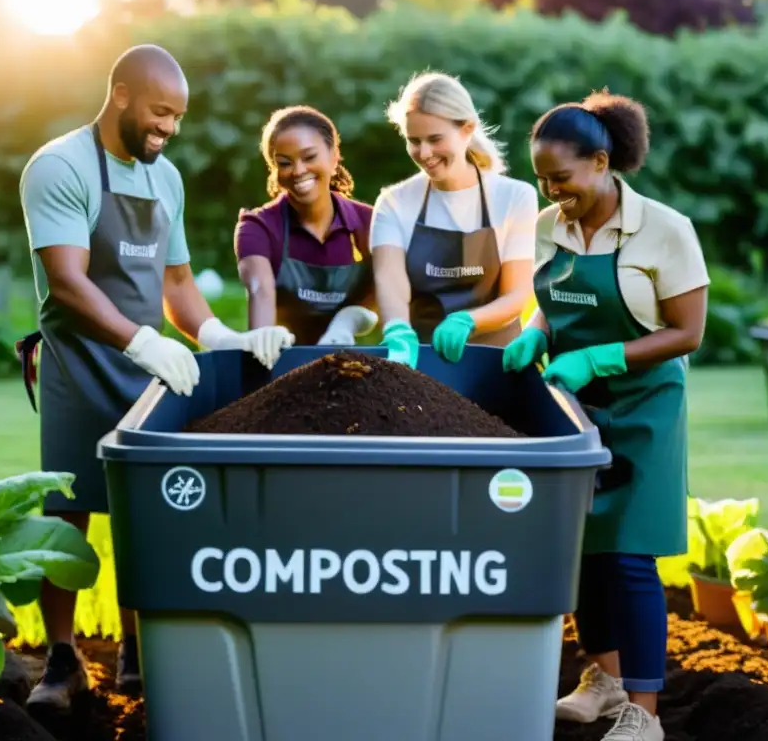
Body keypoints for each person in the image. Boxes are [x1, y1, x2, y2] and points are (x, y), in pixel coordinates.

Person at [15, 44, 294, 710]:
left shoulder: (163, 176)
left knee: (149, 505)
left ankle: (141, 649)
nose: (169, 128)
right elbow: (68, 282)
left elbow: (176, 283)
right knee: (68, 511)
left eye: (179, 118)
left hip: (149, 368)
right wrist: (138, 340)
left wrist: (218, 336)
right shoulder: (59, 166)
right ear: (120, 95)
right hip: (79, 363)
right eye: (160, 112)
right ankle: (62, 658)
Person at [503, 90, 709, 741]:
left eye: (561, 178)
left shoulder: (665, 230)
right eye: (542, 179)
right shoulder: (546, 225)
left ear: (600, 161)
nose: (552, 191)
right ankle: (604, 679)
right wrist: (536, 333)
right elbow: (551, 300)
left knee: (628, 557)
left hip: (646, 406)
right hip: (576, 406)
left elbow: (688, 332)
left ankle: (644, 714)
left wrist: (600, 358)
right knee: (583, 550)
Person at [369, 71, 538, 368]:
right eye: (414, 141)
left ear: (467, 129)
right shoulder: (394, 203)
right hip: (422, 363)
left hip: (497, 366)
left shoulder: (514, 197)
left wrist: (467, 320)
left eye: (435, 139)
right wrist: (397, 330)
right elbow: (390, 281)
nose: (424, 153)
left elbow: (516, 295)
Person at [234, 105, 378, 346]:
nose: (298, 171)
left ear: (334, 156)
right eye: (284, 162)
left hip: (355, 367)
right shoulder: (258, 227)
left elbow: (386, 299)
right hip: (285, 363)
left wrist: (347, 321)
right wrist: (263, 340)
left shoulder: (370, 223)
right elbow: (260, 289)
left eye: (309, 157)